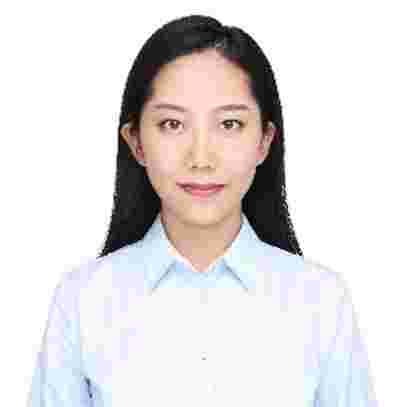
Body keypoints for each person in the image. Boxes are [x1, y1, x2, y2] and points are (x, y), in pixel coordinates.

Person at [26, 14, 378, 407]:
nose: (201, 158)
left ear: (264, 141)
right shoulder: (82, 302)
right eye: (172, 124)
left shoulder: (322, 302)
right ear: (136, 141)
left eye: (229, 124)